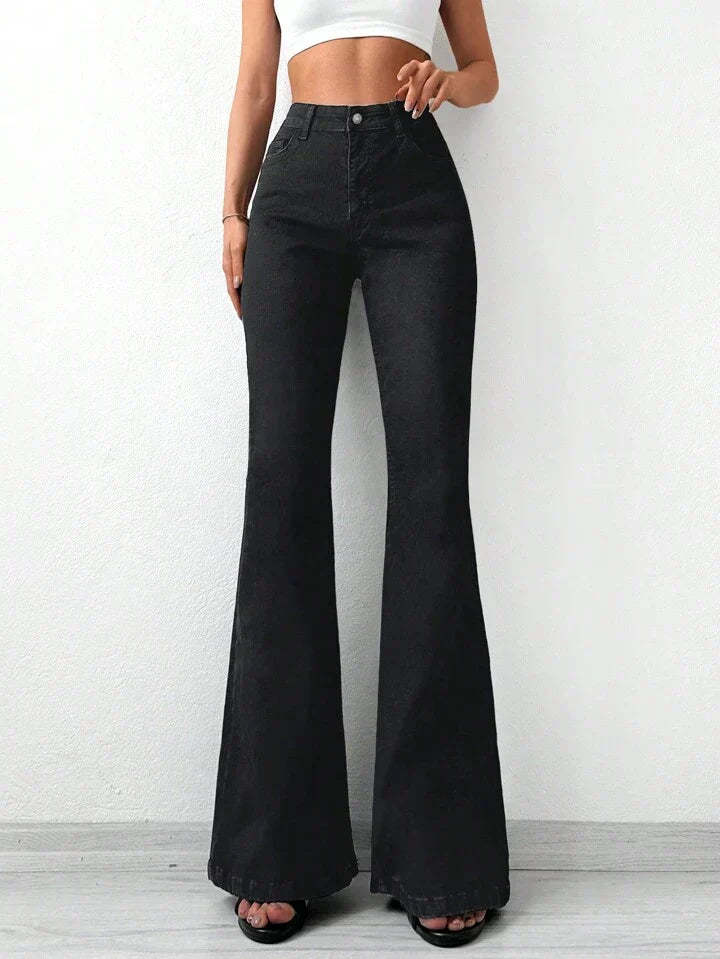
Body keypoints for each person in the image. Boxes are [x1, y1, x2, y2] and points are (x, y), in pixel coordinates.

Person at [207, 0, 510, 946]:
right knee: (281, 492)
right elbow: (256, 78)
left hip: (415, 182)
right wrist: (231, 209)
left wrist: (448, 83)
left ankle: (442, 856)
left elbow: (484, 70)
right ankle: (276, 853)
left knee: (431, 495)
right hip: (293, 187)